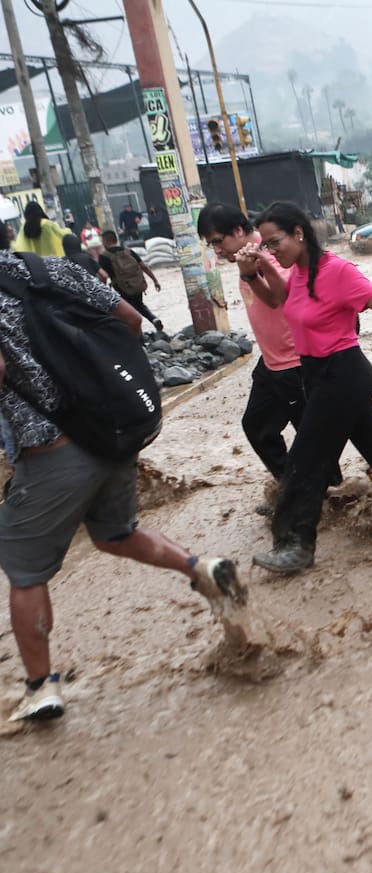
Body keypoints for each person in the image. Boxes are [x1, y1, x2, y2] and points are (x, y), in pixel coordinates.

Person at [0, 229, 246, 723]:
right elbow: (130, 321)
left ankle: (40, 688)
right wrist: (103, 383)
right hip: (112, 432)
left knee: (25, 570)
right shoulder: (53, 270)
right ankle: (201, 568)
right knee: (115, 533)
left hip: (51, 448)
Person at [237, 201, 372, 574]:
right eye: (267, 246)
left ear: (299, 233)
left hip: (342, 374)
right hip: (319, 374)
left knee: (307, 459)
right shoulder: (300, 274)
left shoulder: (336, 270)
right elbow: (279, 301)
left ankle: (296, 543)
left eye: (276, 244)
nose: (272, 252)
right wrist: (252, 274)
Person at [197, 203, 341, 511]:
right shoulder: (245, 259)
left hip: (295, 363)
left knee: (311, 437)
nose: (217, 249)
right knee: (257, 427)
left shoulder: (271, 254)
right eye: (211, 244)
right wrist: (247, 272)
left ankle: (327, 495)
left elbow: (283, 298)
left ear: (238, 231)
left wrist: (254, 270)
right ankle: (295, 489)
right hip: (270, 362)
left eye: (218, 241)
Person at [98, 230, 163, 333]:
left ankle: (138, 337)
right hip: (136, 285)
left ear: (106, 241)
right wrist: (155, 281)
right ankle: (153, 319)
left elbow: (103, 276)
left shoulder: (104, 257)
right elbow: (144, 267)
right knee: (139, 305)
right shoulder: (129, 251)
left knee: (128, 313)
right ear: (115, 239)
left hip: (121, 288)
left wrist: (101, 291)